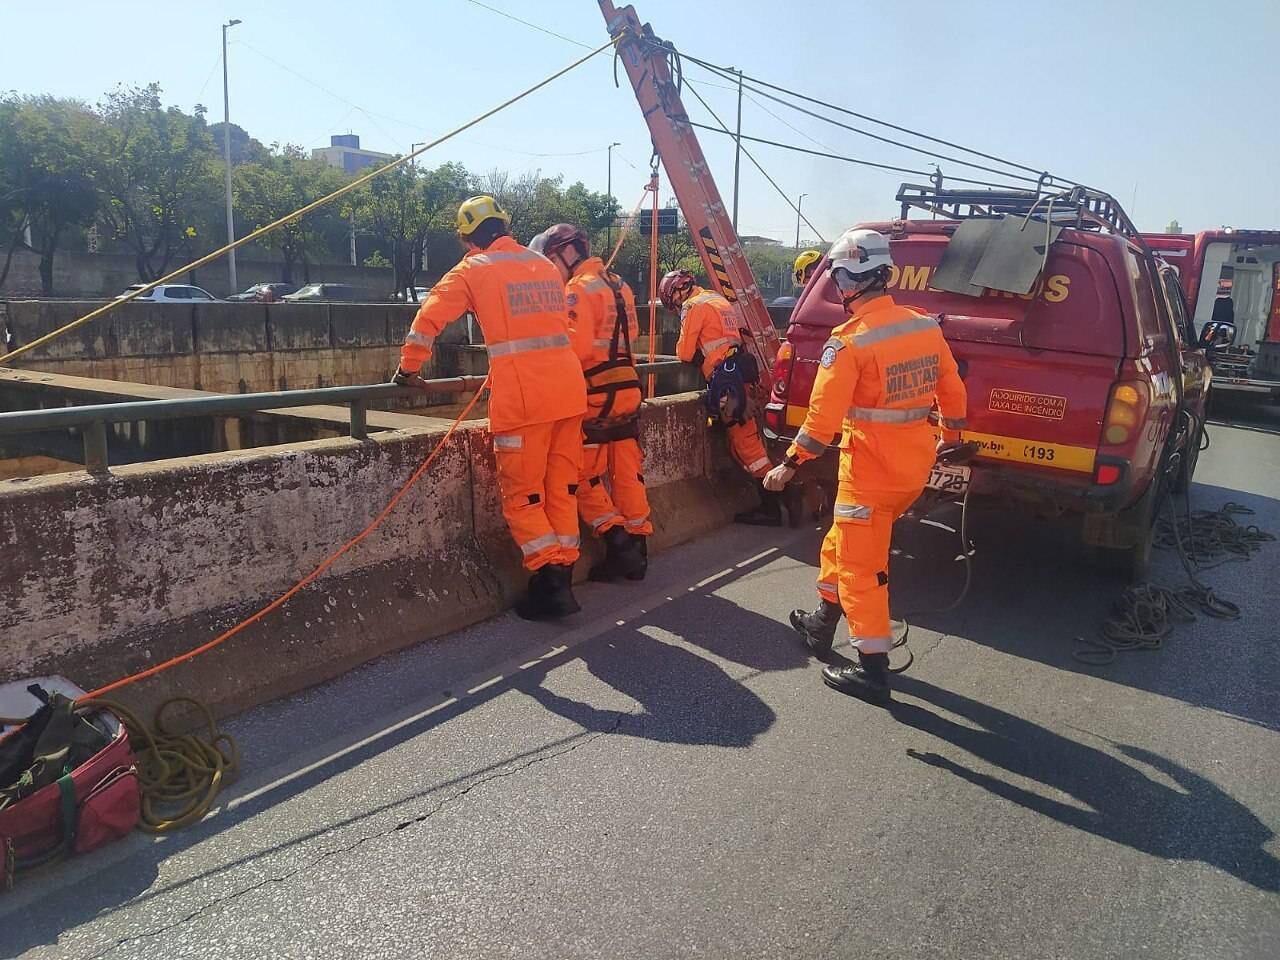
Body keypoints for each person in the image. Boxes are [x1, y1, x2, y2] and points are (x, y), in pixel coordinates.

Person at [763, 228, 967, 705]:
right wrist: (953, 439)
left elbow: (821, 420)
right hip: (912, 467)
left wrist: (791, 463)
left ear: (847, 280)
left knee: (861, 568)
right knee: (840, 541)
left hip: (870, 472)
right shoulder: (922, 325)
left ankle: (874, 670)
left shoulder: (849, 342)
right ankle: (821, 624)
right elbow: (952, 388)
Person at [393, 195, 588, 621]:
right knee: (561, 489)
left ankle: (551, 581)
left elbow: (428, 320)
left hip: (524, 399)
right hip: (569, 392)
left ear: (468, 239)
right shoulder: (543, 265)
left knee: (523, 495)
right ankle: (563, 572)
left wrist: (408, 370)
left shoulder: (473, 270)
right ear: (504, 225)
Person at [530, 223, 650, 582]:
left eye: (552, 259)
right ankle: (639, 544)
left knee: (582, 477)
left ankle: (618, 543)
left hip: (596, 394)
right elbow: (633, 334)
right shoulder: (620, 284)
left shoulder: (577, 289)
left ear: (567, 253)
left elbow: (578, 349)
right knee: (628, 471)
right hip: (628, 386)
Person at [659, 270, 796, 526]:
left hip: (726, 383)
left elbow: (684, 353)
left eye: (673, 300)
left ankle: (775, 504)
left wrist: (701, 356)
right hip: (738, 376)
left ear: (678, 293)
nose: (676, 306)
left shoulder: (693, 306)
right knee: (745, 440)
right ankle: (783, 498)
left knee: (746, 444)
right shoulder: (716, 299)